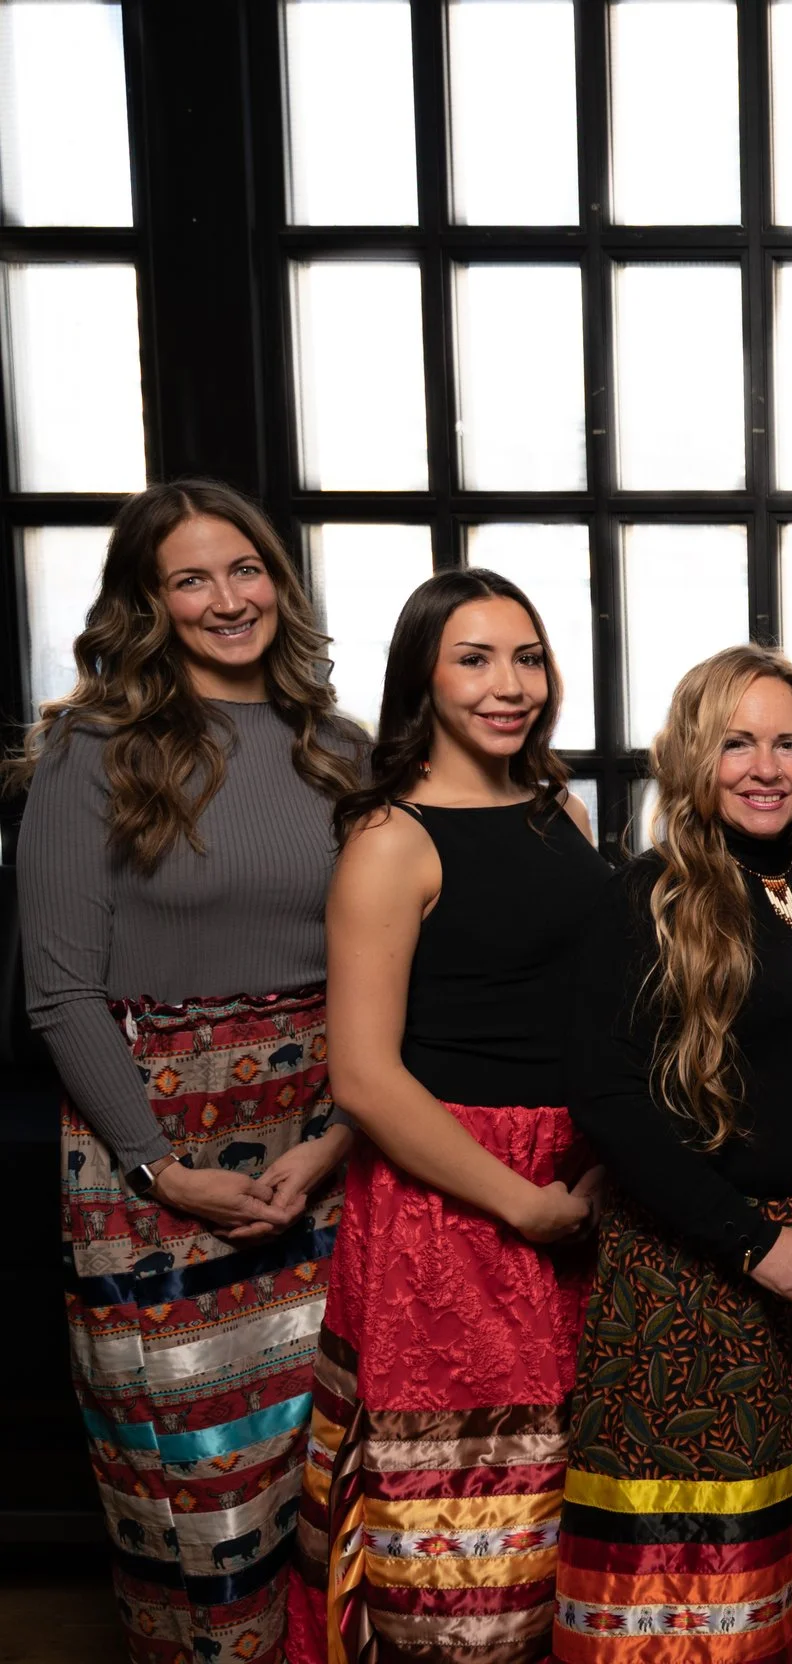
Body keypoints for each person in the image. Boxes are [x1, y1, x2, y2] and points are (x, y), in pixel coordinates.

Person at [16, 480, 366, 1662]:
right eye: (191, 579)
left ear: (279, 579)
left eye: (245, 568)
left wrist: (336, 1142)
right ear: (148, 603)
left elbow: (395, 970)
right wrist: (161, 1167)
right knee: (197, 1495)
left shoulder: (342, 749)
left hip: (324, 1155)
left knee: (328, 1482)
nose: (227, 599)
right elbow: (60, 991)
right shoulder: (93, 751)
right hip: (152, 1169)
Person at [556, 646, 792, 1660]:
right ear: (691, 756)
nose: (765, 768)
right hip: (695, 1276)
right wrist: (754, 1243)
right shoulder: (645, 897)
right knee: (697, 1587)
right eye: (736, 743)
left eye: (789, 744)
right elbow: (608, 1100)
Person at [286, 569, 609, 1663]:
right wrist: (523, 1202)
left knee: (567, 1504)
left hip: (578, 1181)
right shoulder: (391, 839)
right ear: (421, 677)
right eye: (474, 659)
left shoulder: (559, 810)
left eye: (528, 657)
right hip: (455, 1201)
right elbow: (365, 1078)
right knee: (459, 1532)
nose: (510, 685)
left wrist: (599, 1165)